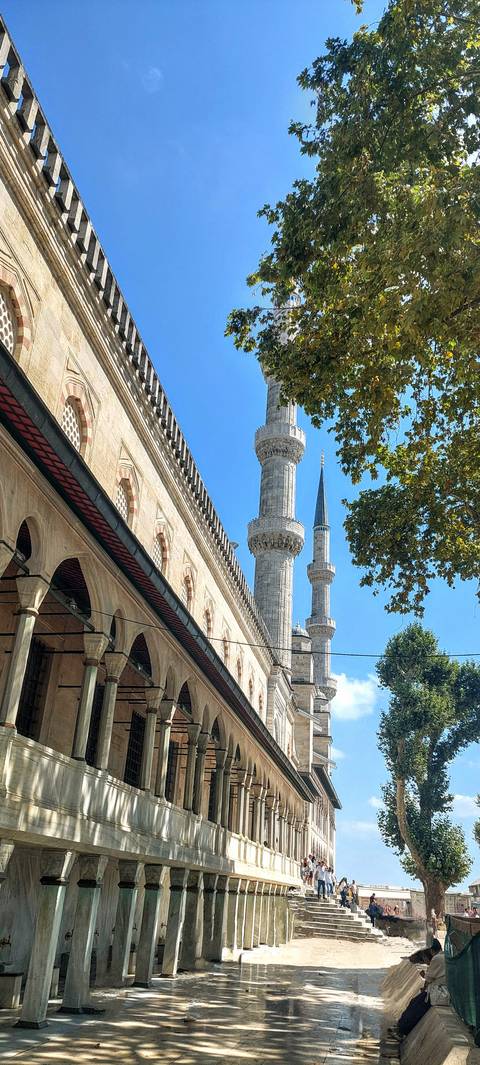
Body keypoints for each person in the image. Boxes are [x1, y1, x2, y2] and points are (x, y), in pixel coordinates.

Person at [395, 939, 448, 1040]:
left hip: (439, 992)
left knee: (415, 1005)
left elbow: (427, 982)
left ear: (431, 951)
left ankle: (402, 1029)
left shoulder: (437, 958)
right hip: (442, 990)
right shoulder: (444, 956)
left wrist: (424, 988)